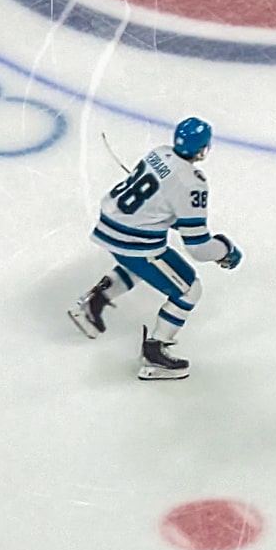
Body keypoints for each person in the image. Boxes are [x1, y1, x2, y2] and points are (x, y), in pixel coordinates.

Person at [68, 116, 241, 383]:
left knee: (140, 266)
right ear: (204, 148)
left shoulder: (159, 153)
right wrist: (225, 250)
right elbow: (197, 246)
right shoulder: (192, 182)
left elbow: (157, 206)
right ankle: (155, 352)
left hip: (111, 224)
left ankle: (92, 304)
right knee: (188, 289)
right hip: (134, 240)